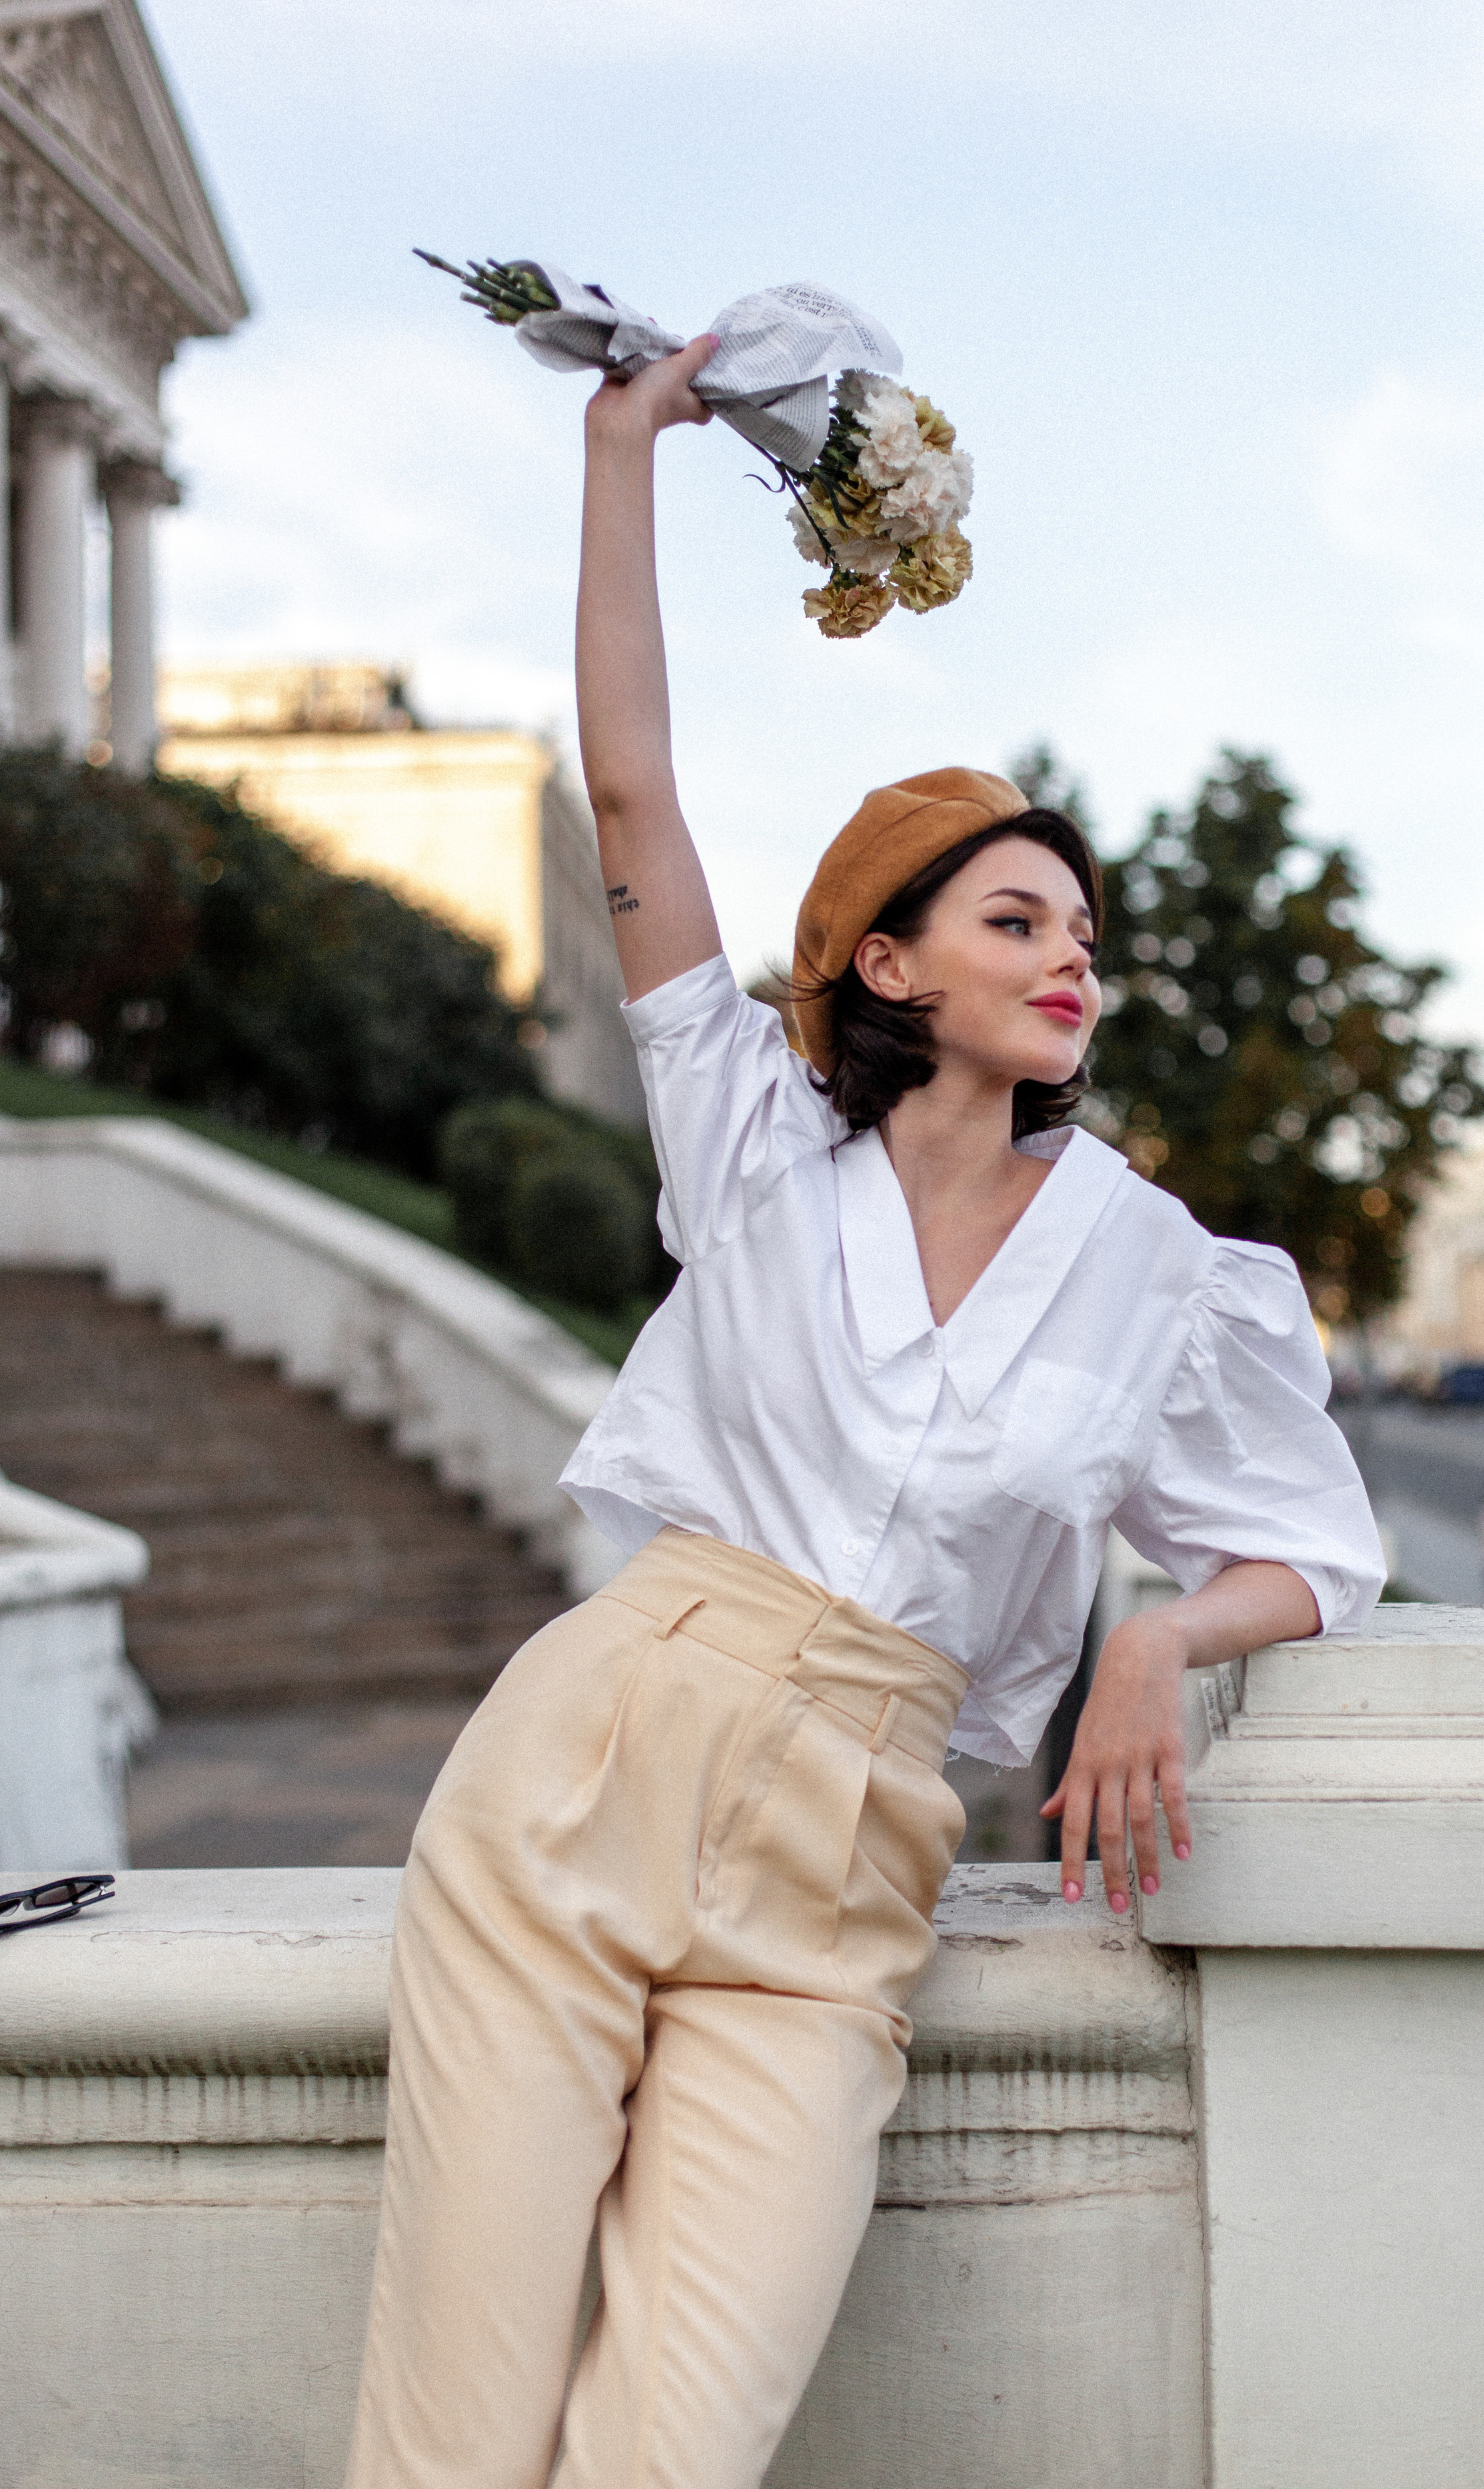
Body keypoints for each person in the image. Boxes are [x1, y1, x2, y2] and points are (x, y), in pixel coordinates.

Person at [343, 337, 1385, 2489]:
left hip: (852, 1874)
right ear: (888, 967)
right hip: (600, 1757)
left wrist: (1160, 1636)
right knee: (454, 2454)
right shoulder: (743, 1142)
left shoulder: (1151, 1270)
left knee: (674, 2457)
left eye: (1088, 928)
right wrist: (626, 446)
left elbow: (1317, 1546)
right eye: (1018, 917)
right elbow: (633, 789)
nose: (1074, 953)